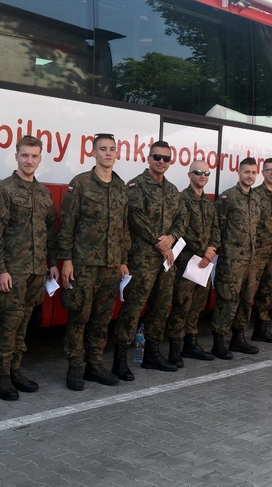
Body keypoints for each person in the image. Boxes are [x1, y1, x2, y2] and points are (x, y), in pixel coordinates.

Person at [0, 136, 59, 400]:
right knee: (9, 325)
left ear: (40, 158)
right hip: (13, 272)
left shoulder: (44, 193)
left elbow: (50, 231)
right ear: (16, 156)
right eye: (25, 155)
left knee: (24, 324)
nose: (30, 160)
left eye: (35, 156)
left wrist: (51, 264)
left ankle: (15, 371)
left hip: (37, 271)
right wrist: (1, 270)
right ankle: (2, 378)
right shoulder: (4, 190)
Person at [59, 133, 130, 391]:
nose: (108, 153)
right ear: (93, 153)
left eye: (112, 149)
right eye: (103, 149)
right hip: (84, 265)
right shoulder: (79, 184)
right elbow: (67, 224)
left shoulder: (121, 187)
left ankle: (95, 365)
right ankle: (75, 368)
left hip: (111, 267)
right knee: (79, 317)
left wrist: (122, 260)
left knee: (101, 320)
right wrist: (66, 259)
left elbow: (123, 228)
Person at [113, 140, 185, 375]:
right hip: (142, 260)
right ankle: (120, 359)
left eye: (166, 158)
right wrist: (162, 243)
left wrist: (172, 238)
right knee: (133, 308)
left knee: (161, 307)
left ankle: (152, 354)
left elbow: (182, 220)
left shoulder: (173, 190)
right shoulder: (136, 185)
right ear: (148, 158)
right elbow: (136, 218)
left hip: (166, 262)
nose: (161, 162)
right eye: (157, 157)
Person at [165, 160, 220, 362]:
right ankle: (174, 349)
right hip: (187, 262)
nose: (202, 176)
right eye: (198, 172)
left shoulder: (208, 203)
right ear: (190, 174)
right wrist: (203, 251)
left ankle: (191, 344)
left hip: (204, 264)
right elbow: (181, 230)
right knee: (181, 305)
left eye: (206, 173)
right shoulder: (181, 199)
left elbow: (216, 229)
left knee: (196, 305)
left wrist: (212, 249)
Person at [209, 157, 263, 360]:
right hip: (231, 260)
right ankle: (218, 342)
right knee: (227, 300)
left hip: (250, 260)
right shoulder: (228, 197)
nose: (250, 176)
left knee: (246, 300)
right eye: (246, 172)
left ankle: (238, 338)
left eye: (253, 172)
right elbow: (217, 228)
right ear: (239, 173)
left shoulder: (257, 198)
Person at [250, 157, 272, 344]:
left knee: (268, 293)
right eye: (269, 169)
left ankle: (261, 329)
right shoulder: (254, 195)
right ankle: (237, 333)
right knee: (247, 294)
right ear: (262, 173)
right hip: (255, 254)